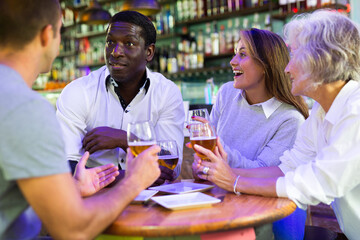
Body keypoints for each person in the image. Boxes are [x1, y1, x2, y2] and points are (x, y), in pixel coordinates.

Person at [193, 10, 360, 240]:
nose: (286, 67)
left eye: (294, 55)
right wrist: (223, 173)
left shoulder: (356, 111)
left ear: (322, 59)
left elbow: (316, 183)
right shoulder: (320, 115)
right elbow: (287, 169)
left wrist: (234, 181)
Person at [0, 0, 161, 239]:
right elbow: (73, 230)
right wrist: (133, 182)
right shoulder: (26, 109)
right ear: (47, 35)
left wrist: (71, 190)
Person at [191, 28, 309, 239]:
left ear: (266, 65)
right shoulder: (227, 93)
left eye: (242, 54)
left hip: (266, 214)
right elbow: (215, 157)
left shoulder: (290, 120)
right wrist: (204, 166)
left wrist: (222, 156)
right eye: (235, 53)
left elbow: (265, 174)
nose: (232, 61)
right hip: (224, 203)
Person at [56, 10, 185, 185]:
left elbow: (169, 168)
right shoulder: (78, 92)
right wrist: (127, 177)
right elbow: (64, 167)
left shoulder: (166, 93)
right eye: (110, 42)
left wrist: (126, 139)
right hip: (95, 202)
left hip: (153, 202)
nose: (115, 52)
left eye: (129, 43)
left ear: (149, 52)